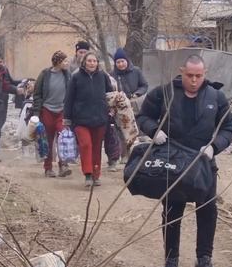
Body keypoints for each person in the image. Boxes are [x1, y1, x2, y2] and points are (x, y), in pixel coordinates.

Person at [136, 54, 232, 267]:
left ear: (205, 74)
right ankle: (170, 262)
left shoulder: (216, 97)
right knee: (172, 211)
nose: (193, 80)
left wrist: (214, 146)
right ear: (182, 72)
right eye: (189, 75)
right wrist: (153, 131)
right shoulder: (164, 93)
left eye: (198, 76)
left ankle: (204, 263)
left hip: (203, 163)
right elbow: (143, 116)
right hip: (173, 161)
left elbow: (229, 128)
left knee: (207, 211)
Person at [64, 51, 114, 187]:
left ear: (97, 63)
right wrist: (67, 118)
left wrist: (112, 111)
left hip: (100, 119)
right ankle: (87, 174)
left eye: (94, 61)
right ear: (84, 62)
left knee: (97, 148)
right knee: (86, 145)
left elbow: (110, 95)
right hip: (81, 119)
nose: (92, 63)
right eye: (89, 61)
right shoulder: (76, 77)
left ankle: (96, 175)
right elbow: (69, 99)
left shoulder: (103, 76)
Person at [33, 50, 72, 178]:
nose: (67, 63)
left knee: (63, 137)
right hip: (47, 110)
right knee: (48, 140)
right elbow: (37, 94)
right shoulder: (45, 74)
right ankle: (48, 168)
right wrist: (36, 113)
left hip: (62, 111)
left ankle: (63, 165)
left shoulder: (67, 75)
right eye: (65, 61)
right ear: (58, 62)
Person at [108, 47, 149, 168]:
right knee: (120, 130)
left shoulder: (136, 71)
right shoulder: (112, 75)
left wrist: (137, 94)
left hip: (134, 104)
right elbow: (109, 90)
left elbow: (144, 85)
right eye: (118, 62)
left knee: (133, 130)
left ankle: (134, 154)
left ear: (127, 61)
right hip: (119, 107)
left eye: (122, 61)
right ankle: (124, 154)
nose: (121, 64)